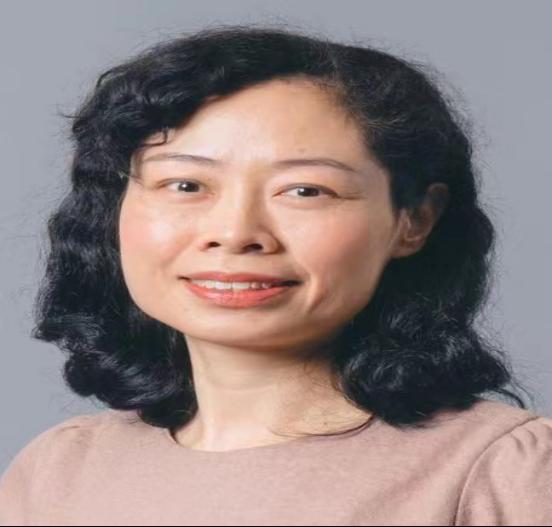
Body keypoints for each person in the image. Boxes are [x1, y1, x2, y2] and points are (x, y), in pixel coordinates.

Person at [1, 24, 550, 526]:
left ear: (415, 221)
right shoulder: (60, 470)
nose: (235, 233)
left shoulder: (499, 469)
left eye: (306, 191)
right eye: (185, 185)